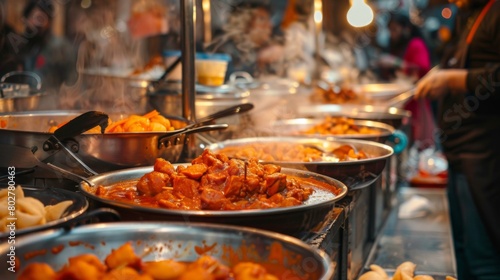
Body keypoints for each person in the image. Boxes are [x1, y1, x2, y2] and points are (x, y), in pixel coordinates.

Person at [414, 0, 500, 279]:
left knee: (483, 259)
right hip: (461, 152)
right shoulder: (469, 13)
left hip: (486, 156)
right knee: (460, 250)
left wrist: (453, 80)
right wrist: (441, 71)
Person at [377, 13, 436, 149]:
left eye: (395, 30)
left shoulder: (416, 44)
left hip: (415, 100)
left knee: (416, 139)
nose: (392, 34)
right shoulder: (398, 46)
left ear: (406, 29)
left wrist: (395, 62)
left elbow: (423, 69)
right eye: (390, 30)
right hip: (405, 101)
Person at [206, 2, 284, 80]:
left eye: (268, 19)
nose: (269, 25)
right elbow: (231, 76)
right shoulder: (227, 46)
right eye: (262, 19)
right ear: (245, 22)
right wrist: (258, 59)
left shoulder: (258, 47)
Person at [17, 0, 77, 91]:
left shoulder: (61, 47)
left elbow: (72, 81)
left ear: (49, 22)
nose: (37, 23)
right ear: (25, 19)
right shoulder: (19, 47)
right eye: (34, 17)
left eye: (42, 19)